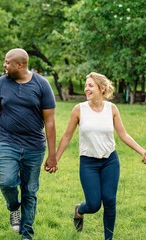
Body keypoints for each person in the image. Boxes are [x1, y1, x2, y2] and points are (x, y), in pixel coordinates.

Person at [55, 72, 146, 240]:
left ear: (101, 88)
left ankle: (108, 238)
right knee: (94, 204)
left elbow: (123, 135)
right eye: (86, 85)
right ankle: (79, 210)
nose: (86, 89)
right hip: (88, 163)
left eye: (90, 85)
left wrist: (143, 151)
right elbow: (67, 136)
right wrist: (55, 158)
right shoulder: (79, 109)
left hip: (110, 161)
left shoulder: (112, 109)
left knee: (110, 200)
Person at [0, 48, 57, 240]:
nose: (4, 65)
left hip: (34, 146)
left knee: (30, 191)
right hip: (8, 143)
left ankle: (26, 234)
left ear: (20, 64)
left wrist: (52, 154)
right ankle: (13, 207)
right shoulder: (1, 83)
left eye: (7, 62)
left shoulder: (42, 85)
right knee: (6, 182)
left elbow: (49, 121)